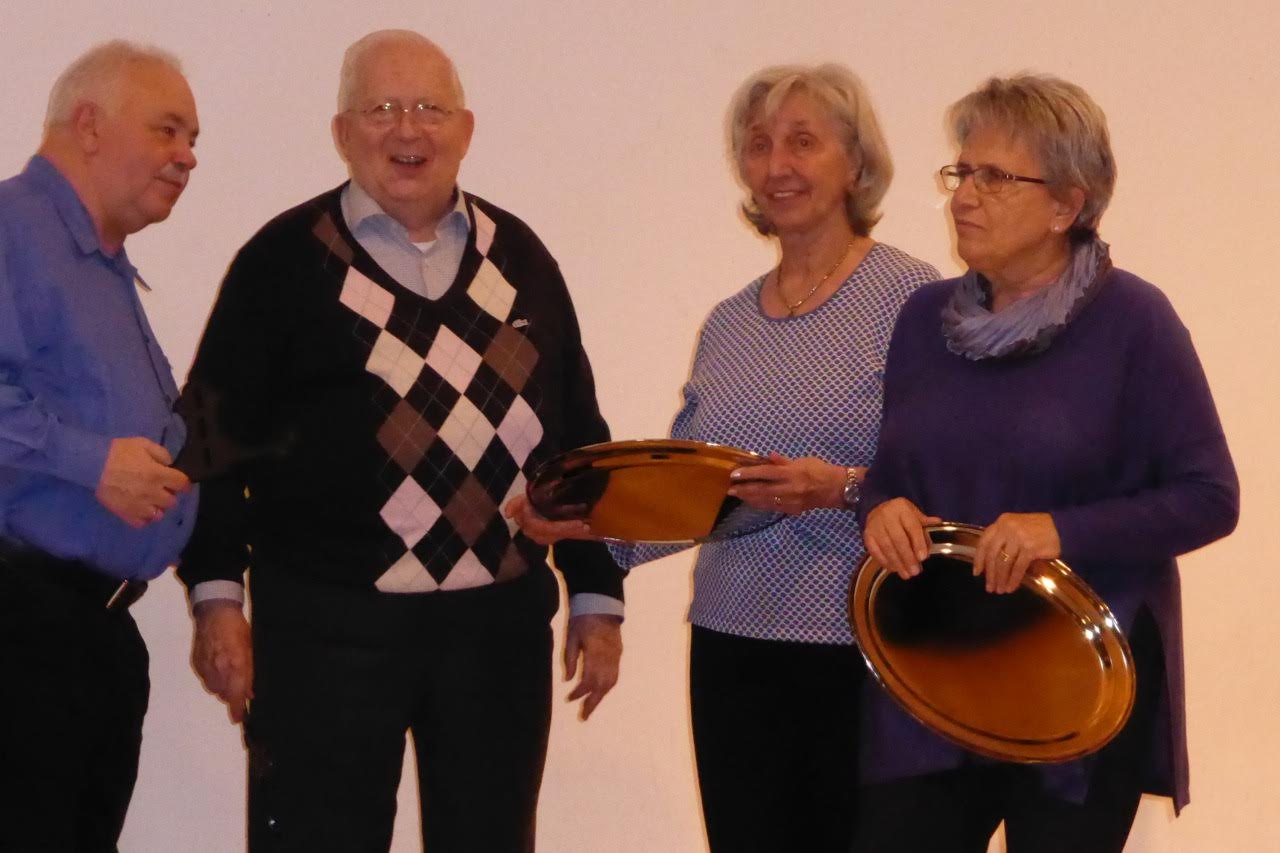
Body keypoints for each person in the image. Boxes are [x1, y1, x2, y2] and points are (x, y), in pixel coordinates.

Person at [177, 29, 624, 853]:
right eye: (381, 108)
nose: (408, 129)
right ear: (343, 132)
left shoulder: (522, 259)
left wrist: (596, 596)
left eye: (429, 108)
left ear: (466, 129)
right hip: (325, 636)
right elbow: (207, 444)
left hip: (496, 639)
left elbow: (576, 438)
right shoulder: (281, 263)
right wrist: (216, 597)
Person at [509, 64, 938, 852]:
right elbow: (696, 494)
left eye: (803, 142)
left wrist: (841, 488)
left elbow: (947, 474)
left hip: (862, 647)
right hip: (730, 644)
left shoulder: (911, 299)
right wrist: (588, 528)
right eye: (758, 145)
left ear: (856, 163)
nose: (778, 166)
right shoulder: (729, 322)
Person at [855, 74, 1239, 852]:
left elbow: (1209, 496)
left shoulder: (1135, 320)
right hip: (938, 667)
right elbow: (894, 473)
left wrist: (1060, 531)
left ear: (1067, 205)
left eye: (995, 177)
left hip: (1077, 679)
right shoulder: (922, 318)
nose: (965, 196)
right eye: (962, 172)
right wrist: (880, 508)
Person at [0, 40, 199, 852]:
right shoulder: (11, 229)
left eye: (193, 139)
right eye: (167, 129)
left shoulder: (102, 265)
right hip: (22, 628)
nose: (187, 156)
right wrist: (95, 463)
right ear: (88, 125)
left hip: (93, 635)